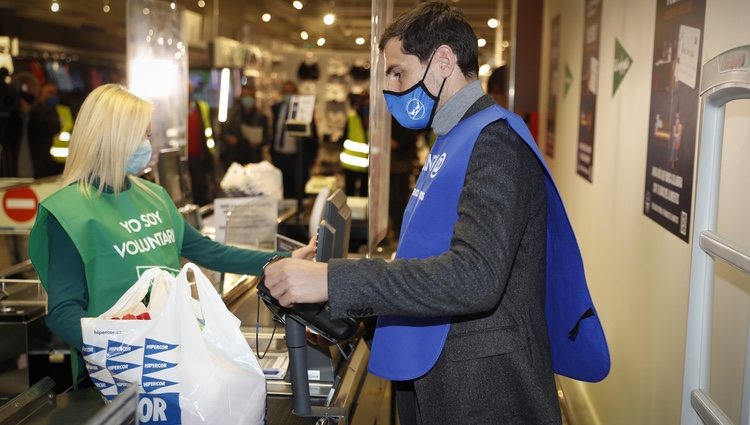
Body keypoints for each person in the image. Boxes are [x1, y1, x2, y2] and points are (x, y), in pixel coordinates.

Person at [264, 3, 608, 424]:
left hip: (484, 391)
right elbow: (427, 256)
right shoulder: (454, 137)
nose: (390, 90)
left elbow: (474, 277)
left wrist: (334, 280)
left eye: (398, 73)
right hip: (446, 375)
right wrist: (349, 306)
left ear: (444, 61)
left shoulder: (494, 143)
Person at [27, 84, 316, 386]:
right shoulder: (69, 213)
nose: (148, 144)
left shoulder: (154, 196)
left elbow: (208, 251)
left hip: (173, 360)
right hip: (111, 378)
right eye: (143, 135)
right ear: (116, 138)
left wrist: (284, 259)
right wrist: (122, 350)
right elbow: (62, 313)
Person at [271, 80, 319, 199]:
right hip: (280, 156)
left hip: (297, 158)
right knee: (282, 189)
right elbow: (274, 130)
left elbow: (313, 136)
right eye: (285, 91)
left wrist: (311, 158)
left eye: (291, 91)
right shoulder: (277, 109)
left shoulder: (303, 110)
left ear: (296, 92)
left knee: (298, 190)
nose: (288, 94)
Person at [221, 84, 268, 170]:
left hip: (253, 158)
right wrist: (229, 138)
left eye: (249, 96)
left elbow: (267, 138)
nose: (247, 99)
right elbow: (224, 132)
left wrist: (259, 142)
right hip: (235, 157)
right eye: (245, 96)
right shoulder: (233, 115)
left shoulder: (261, 117)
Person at [187, 80, 216, 206]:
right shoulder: (174, 109)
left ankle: (201, 208)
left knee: (199, 185)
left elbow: (208, 131)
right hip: (181, 156)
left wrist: (210, 154)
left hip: (199, 155)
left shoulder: (202, 107)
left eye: (190, 89)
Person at [339, 91, 370, 197]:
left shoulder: (376, 122)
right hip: (350, 165)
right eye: (365, 106)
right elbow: (343, 139)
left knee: (364, 195)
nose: (366, 109)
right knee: (349, 194)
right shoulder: (352, 120)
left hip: (368, 166)